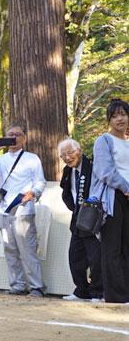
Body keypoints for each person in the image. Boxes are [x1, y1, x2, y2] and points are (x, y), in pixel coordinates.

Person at [0, 124, 46, 297]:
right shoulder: (1, 160)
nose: (14, 137)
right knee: (10, 249)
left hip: (23, 209)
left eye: (18, 134)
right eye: (11, 134)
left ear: (24, 138)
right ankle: (17, 285)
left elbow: (40, 181)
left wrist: (33, 192)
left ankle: (36, 286)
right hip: (3, 210)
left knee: (27, 249)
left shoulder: (32, 158)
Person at [89, 99, 129, 303]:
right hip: (113, 199)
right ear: (109, 119)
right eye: (115, 116)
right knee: (112, 248)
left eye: (123, 114)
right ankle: (115, 295)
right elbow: (105, 171)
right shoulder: (103, 141)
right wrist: (126, 188)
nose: (120, 119)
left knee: (126, 247)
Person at [58, 138, 103, 301]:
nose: (68, 157)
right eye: (63, 155)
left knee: (95, 257)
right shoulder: (67, 171)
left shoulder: (92, 166)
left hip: (93, 216)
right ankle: (81, 290)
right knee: (75, 256)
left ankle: (98, 291)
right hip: (78, 217)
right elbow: (66, 192)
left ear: (80, 150)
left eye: (70, 152)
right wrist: (75, 208)